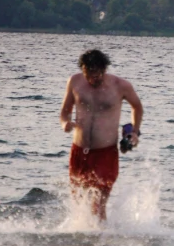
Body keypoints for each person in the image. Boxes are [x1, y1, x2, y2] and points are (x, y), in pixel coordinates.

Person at [59, 49, 143, 222]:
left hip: (105, 153)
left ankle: (100, 242)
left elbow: (137, 107)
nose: (92, 79)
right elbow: (64, 113)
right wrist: (65, 124)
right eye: (88, 74)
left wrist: (134, 132)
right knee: (78, 201)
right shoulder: (74, 82)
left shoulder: (121, 86)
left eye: (96, 75)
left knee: (98, 204)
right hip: (79, 151)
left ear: (104, 70)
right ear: (83, 69)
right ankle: (82, 243)